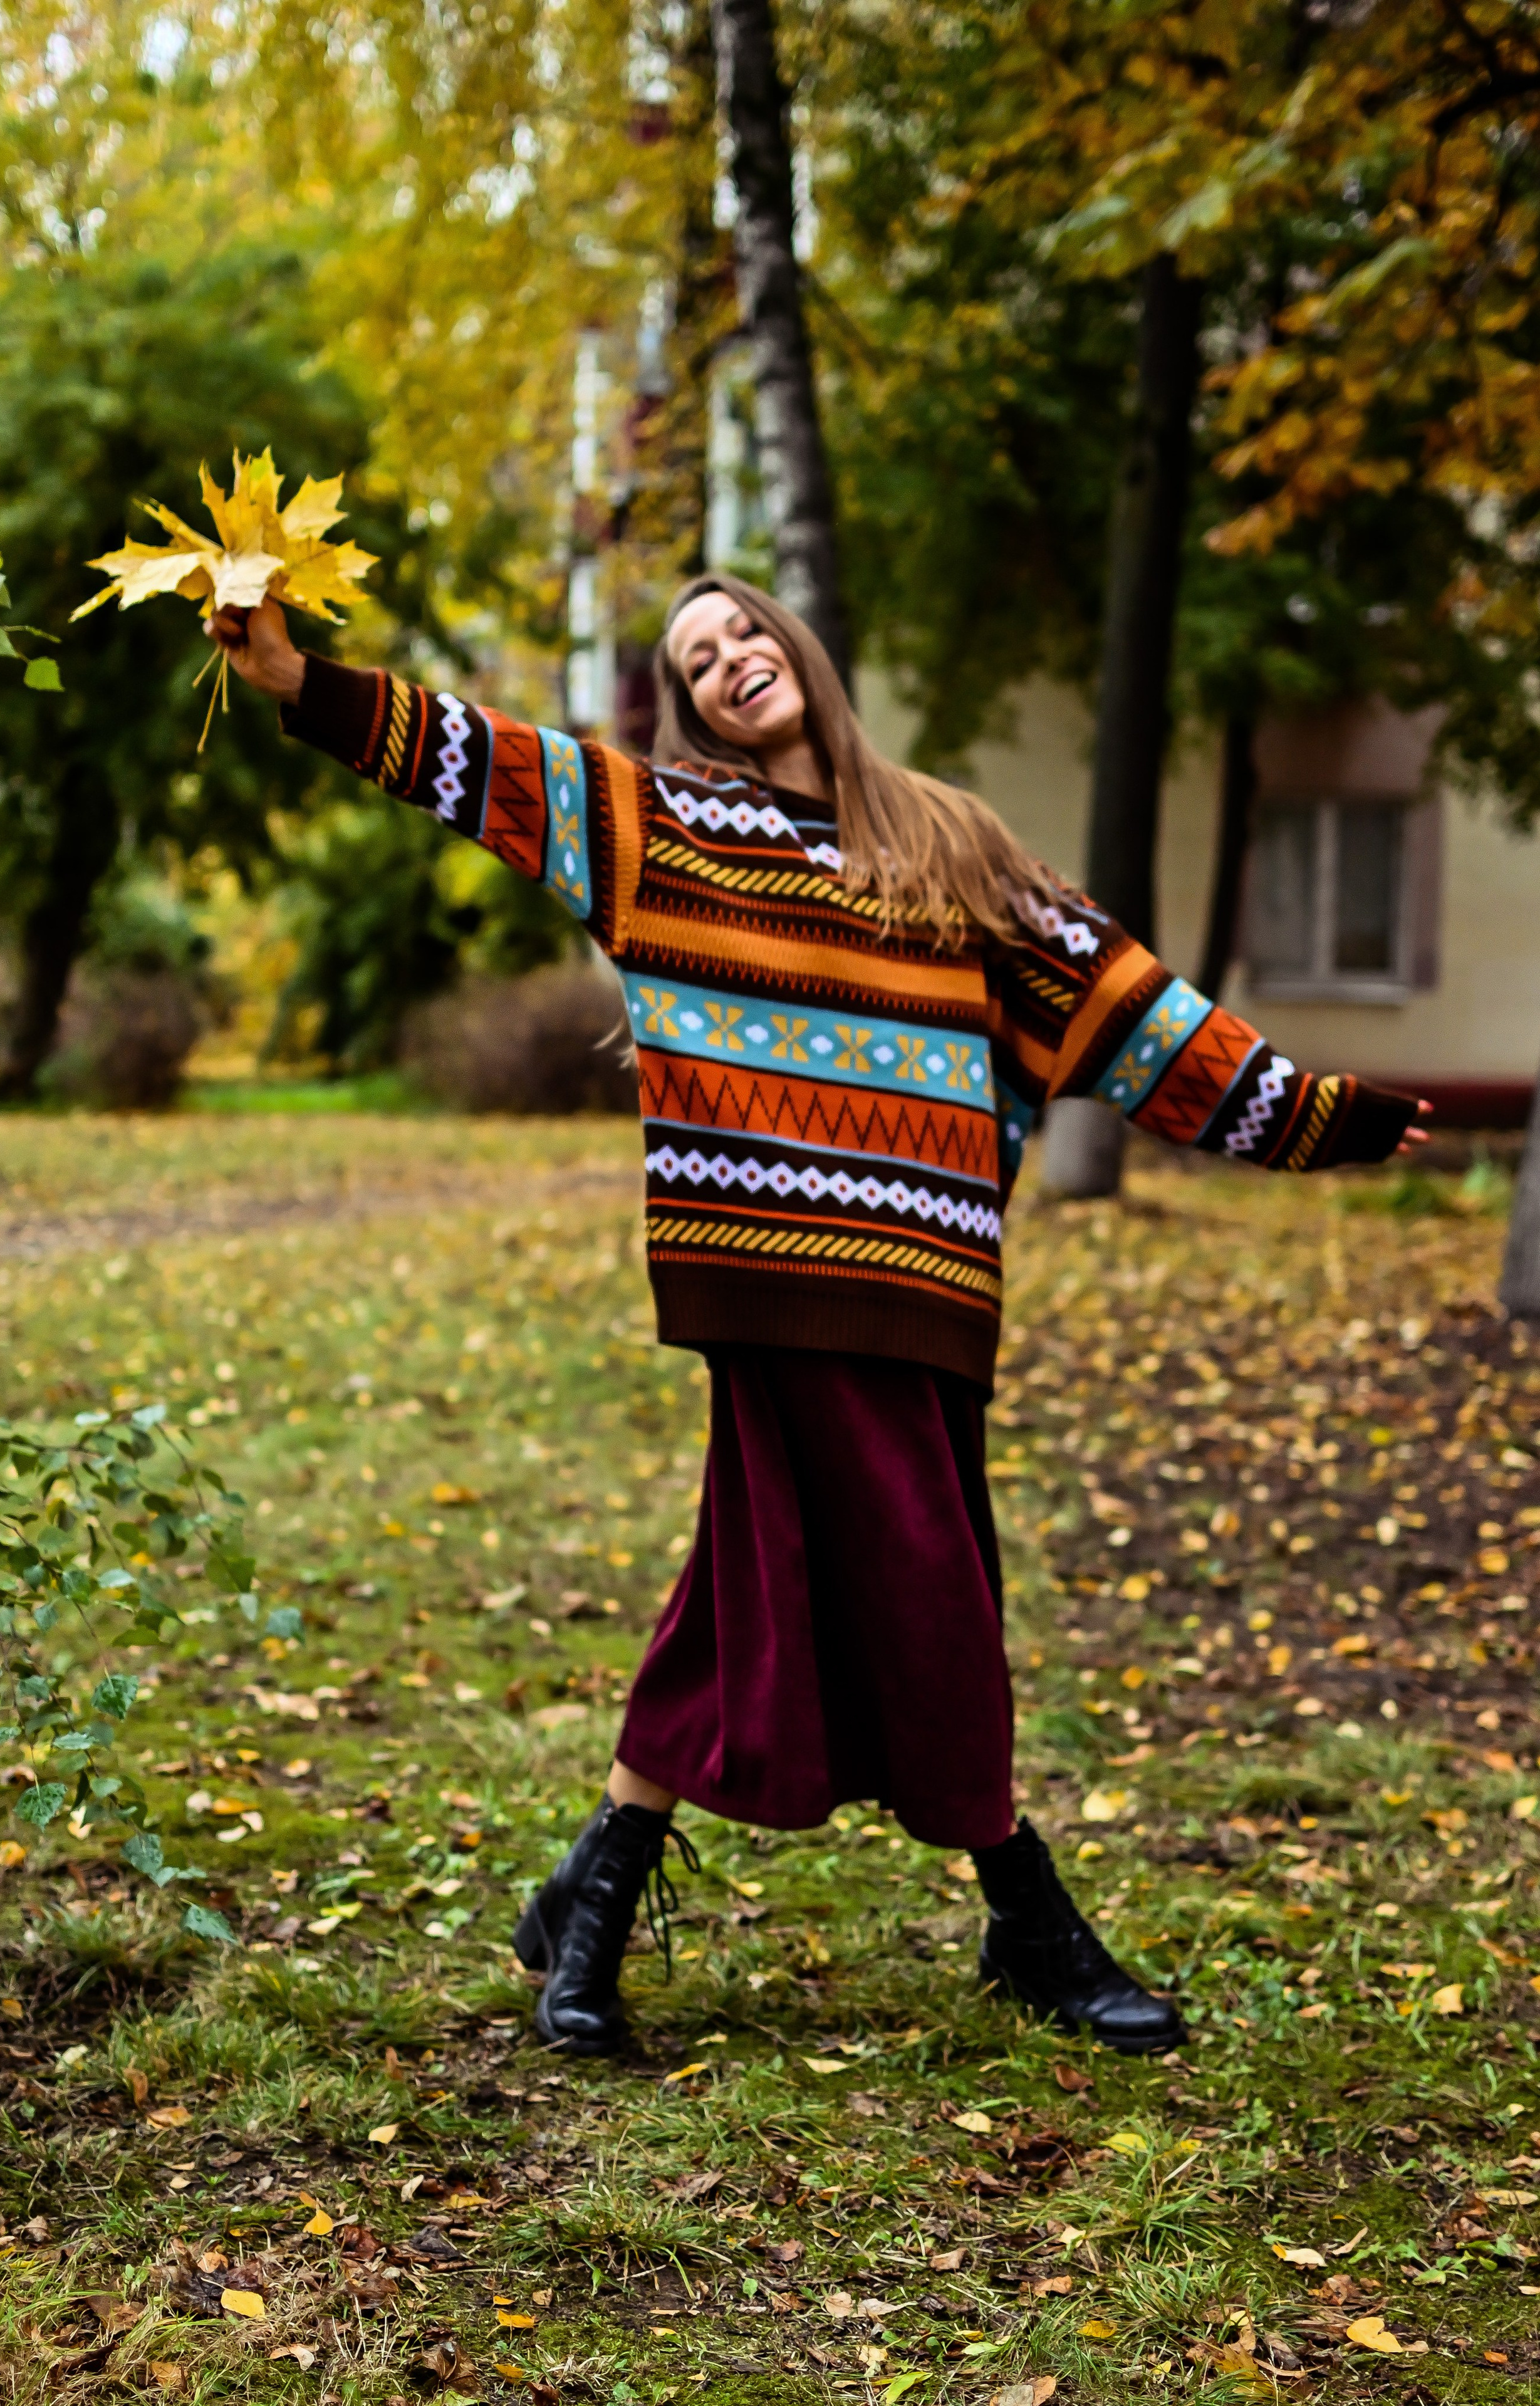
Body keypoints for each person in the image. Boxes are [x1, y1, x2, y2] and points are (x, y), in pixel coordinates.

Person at [209, 574, 1429, 2060]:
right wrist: (300, 683)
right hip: (765, 1265)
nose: (730, 664)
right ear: (685, 708)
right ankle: (1021, 1915)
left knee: (772, 1578)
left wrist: (1315, 1117)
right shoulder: (666, 832)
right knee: (923, 1576)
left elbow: (1128, 1010)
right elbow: (482, 762)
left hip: (924, 1279)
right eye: (695, 659)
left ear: (801, 655)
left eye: (747, 635)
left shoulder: (947, 839)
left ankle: (595, 1891)